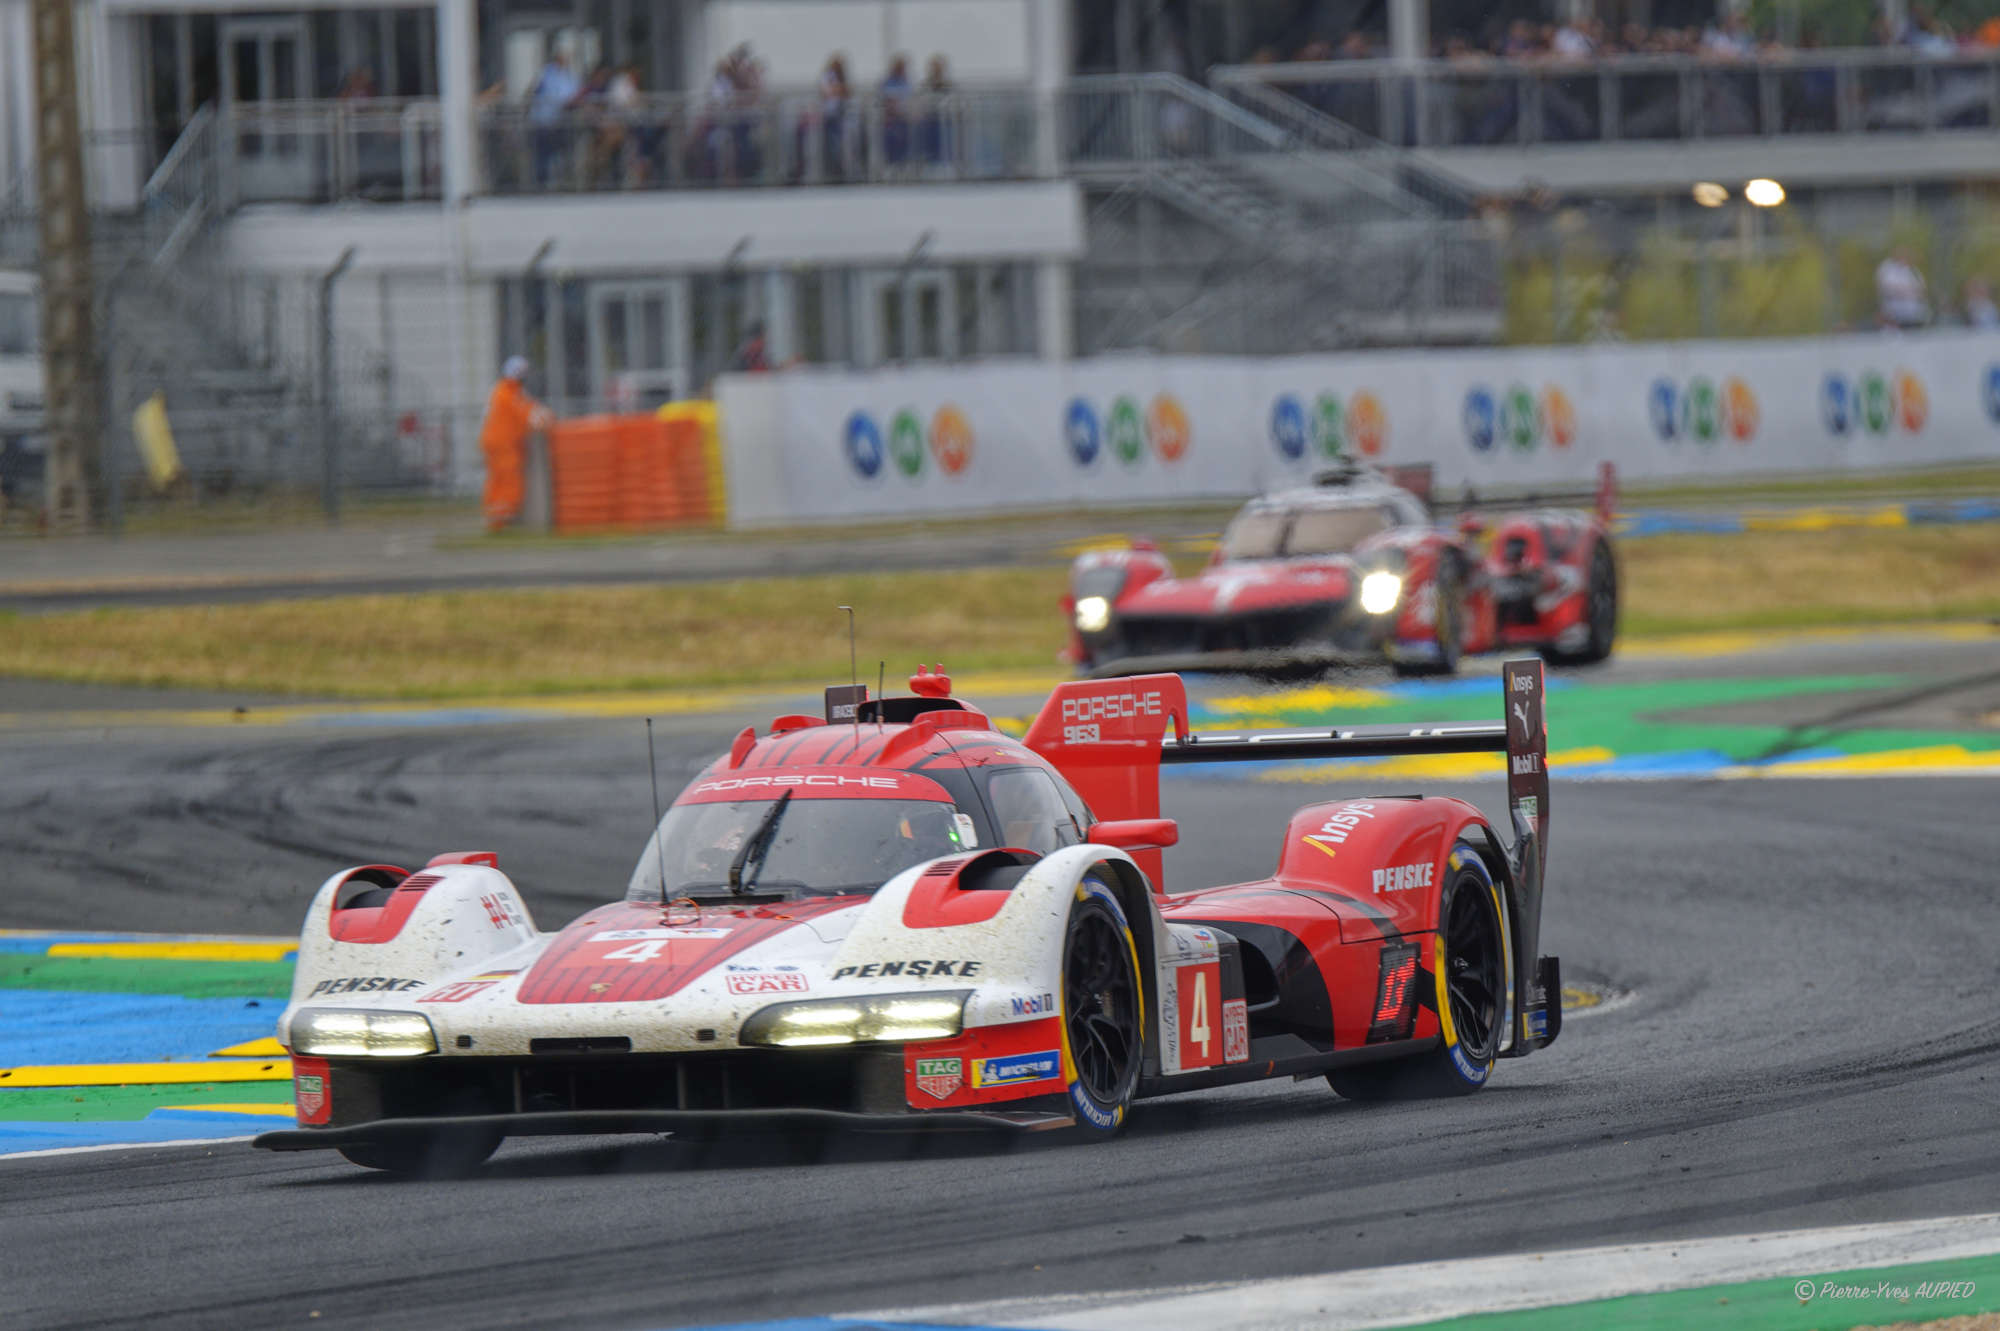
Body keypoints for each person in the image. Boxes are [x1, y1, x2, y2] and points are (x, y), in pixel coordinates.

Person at [479, 356, 552, 531]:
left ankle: (495, 518)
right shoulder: (508, 393)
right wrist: (546, 420)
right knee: (510, 481)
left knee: (496, 480)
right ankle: (503, 520)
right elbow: (527, 415)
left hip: (494, 442)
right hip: (504, 444)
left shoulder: (502, 390)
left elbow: (527, 406)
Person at [529, 52, 581, 188]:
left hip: (561, 122)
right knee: (544, 155)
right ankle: (543, 184)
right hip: (544, 121)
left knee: (563, 154)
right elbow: (546, 93)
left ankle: (564, 182)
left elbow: (573, 96)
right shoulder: (547, 74)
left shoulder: (569, 76)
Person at [1876, 247, 1931, 329]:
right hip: (1895, 312)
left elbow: (1922, 288)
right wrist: (1907, 291)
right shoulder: (1888, 268)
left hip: (1914, 312)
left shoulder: (1912, 270)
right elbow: (1889, 287)